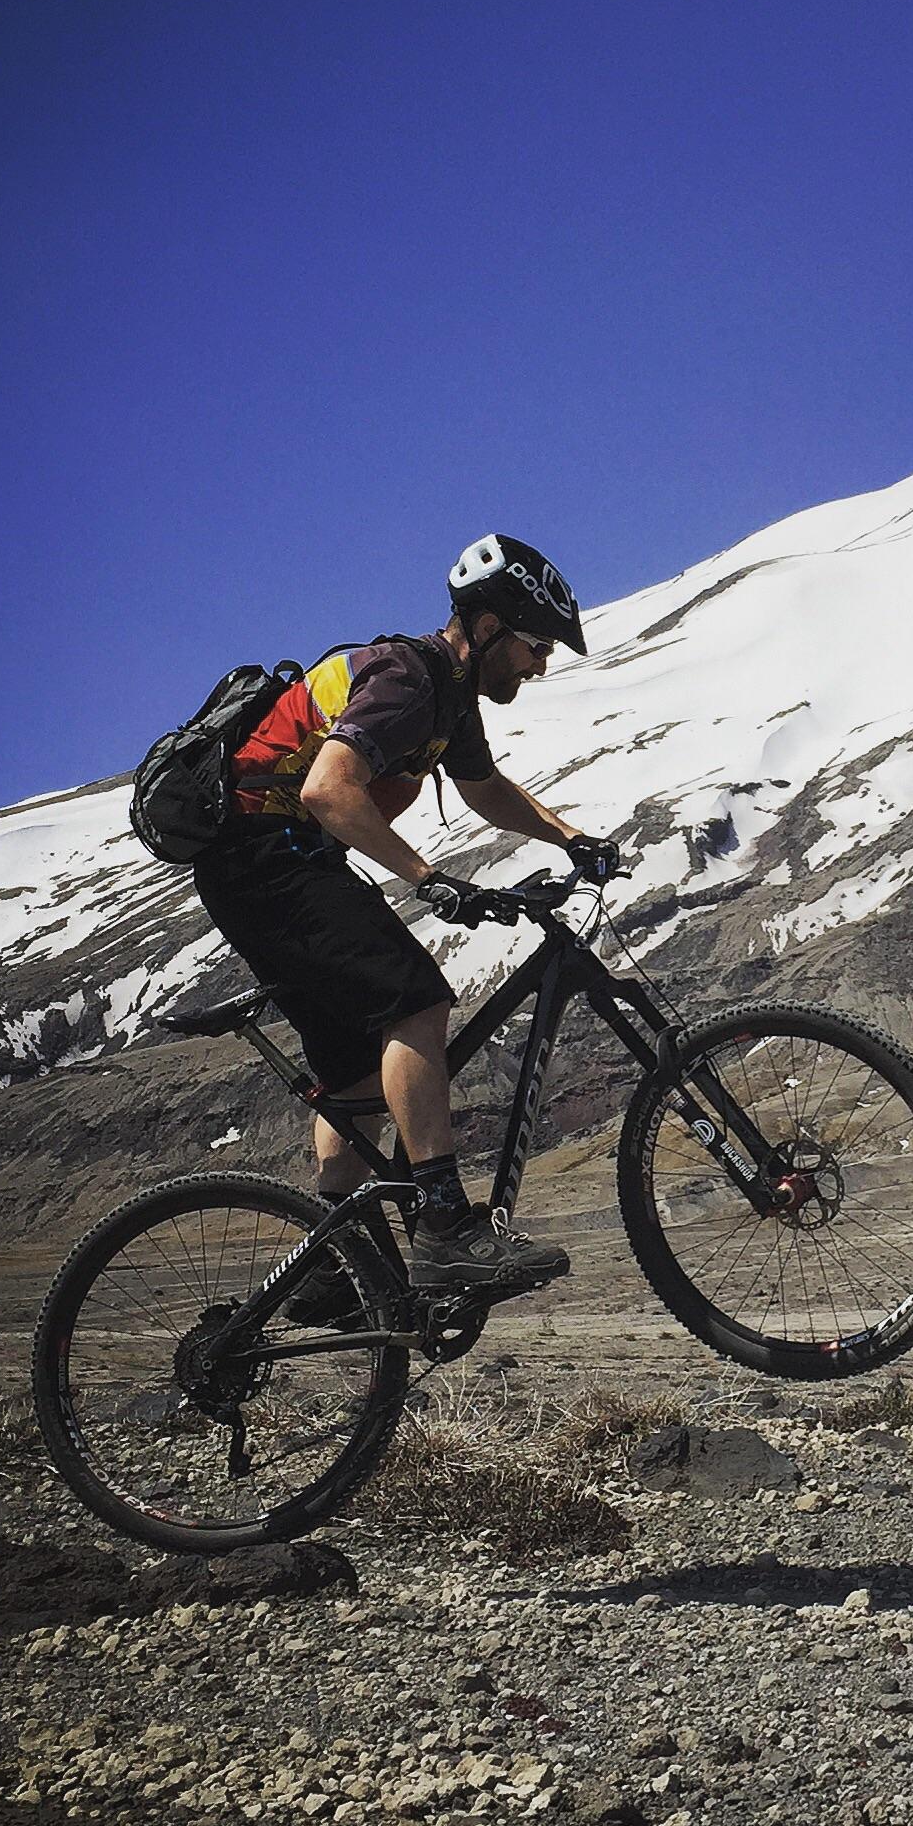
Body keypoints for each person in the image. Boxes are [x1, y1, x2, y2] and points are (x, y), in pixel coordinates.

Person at [190, 533, 622, 1306]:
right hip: (265, 858)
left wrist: (571, 838)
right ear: (488, 627)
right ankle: (447, 1228)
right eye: (534, 645)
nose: (540, 664)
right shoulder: (407, 678)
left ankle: (329, 1267)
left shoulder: (449, 699)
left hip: (268, 866)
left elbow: (484, 788)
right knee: (416, 998)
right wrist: (429, 880)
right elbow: (329, 789)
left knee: (356, 1070)